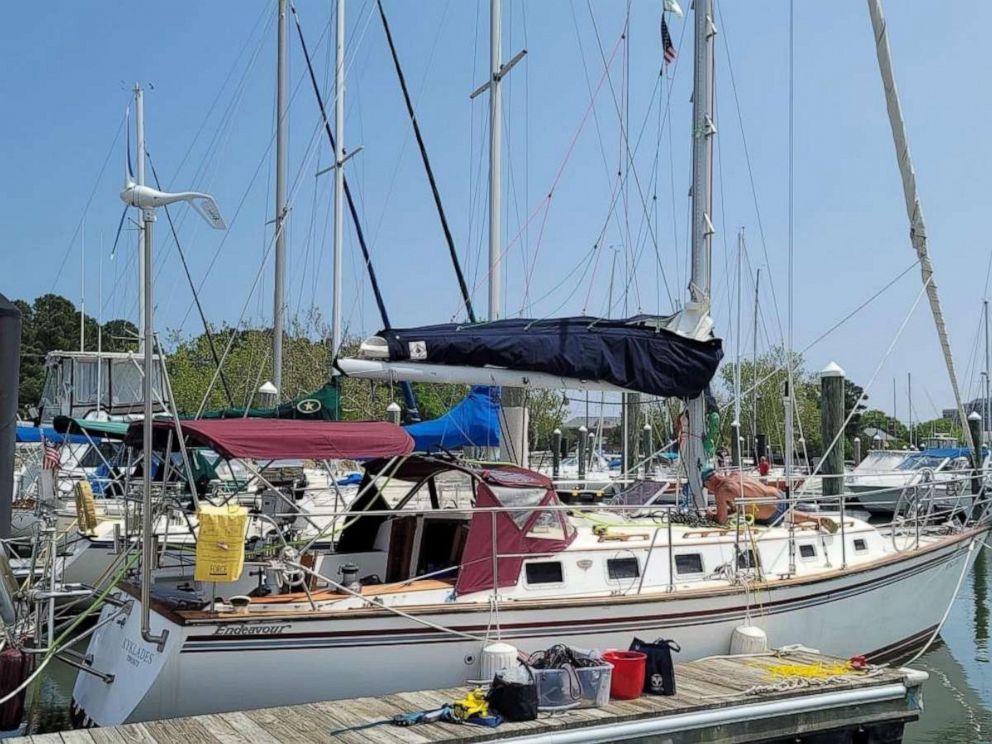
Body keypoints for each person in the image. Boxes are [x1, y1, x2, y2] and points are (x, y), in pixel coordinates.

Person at [702, 466, 837, 532]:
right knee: (783, 513)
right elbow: (742, 501)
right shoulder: (736, 474)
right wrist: (727, 509)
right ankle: (815, 519)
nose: (709, 490)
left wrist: (711, 515)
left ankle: (814, 519)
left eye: (706, 487)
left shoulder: (721, 490)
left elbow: (722, 520)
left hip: (770, 514)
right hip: (778, 495)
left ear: (709, 482)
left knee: (779, 515)